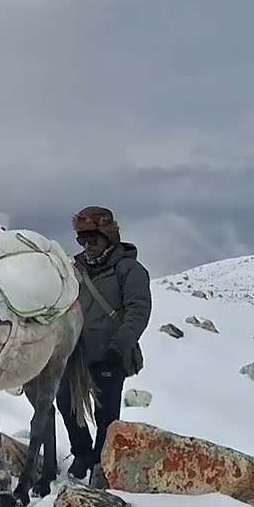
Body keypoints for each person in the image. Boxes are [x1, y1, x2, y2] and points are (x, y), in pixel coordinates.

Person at [56, 205, 152, 480]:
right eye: (82, 240)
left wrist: (118, 348)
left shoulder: (130, 270)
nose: (88, 246)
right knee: (65, 401)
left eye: (93, 240)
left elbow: (138, 311)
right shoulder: (74, 269)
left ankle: (101, 462)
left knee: (106, 415)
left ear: (109, 237)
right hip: (75, 353)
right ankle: (82, 452)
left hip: (111, 352)